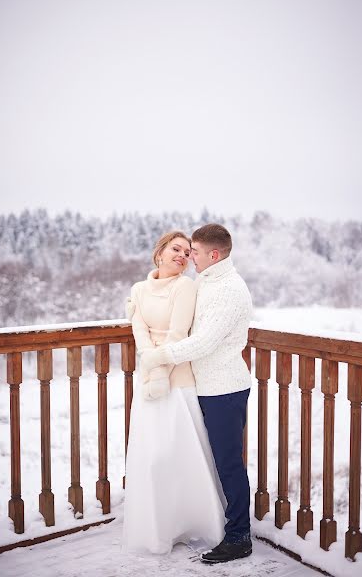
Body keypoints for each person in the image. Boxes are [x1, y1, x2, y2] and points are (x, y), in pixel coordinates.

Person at [141, 223, 253, 564]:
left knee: (229, 464)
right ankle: (219, 523)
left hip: (224, 389)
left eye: (196, 252)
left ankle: (239, 537)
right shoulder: (206, 281)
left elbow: (204, 343)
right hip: (204, 387)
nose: (191, 258)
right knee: (214, 460)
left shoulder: (229, 289)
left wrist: (159, 356)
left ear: (214, 255)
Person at [122, 230, 225, 555]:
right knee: (151, 457)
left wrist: (161, 376)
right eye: (175, 249)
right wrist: (151, 375)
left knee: (177, 454)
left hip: (177, 381)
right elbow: (139, 331)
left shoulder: (185, 287)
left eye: (186, 252)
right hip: (149, 379)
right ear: (160, 253)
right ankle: (158, 529)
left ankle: (195, 522)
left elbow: (179, 335)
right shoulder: (139, 289)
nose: (181, 256)